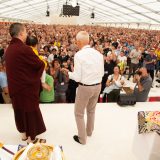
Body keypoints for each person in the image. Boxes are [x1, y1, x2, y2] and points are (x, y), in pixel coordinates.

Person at [5, 23, 46, 144]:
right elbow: (39, 65)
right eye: (26, 32)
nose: (27, 34)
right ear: (21, 33)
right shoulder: (24, 49)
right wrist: (42, 61)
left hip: (15, 87)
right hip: (26, 89)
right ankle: (32, 139)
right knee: (30, 113)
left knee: (19, 112)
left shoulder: (9, 49)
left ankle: (23, 136)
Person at [62, 31, 104, 144]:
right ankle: (89, 132)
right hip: (98, 85)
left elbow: (77, 77)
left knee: (79, 113)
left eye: (76, 42)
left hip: (85, 87)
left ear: (79, 42)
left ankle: (82, 139)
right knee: (91, 111)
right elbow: (101, 73)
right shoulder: (99, 54)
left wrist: (68, 73)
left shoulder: (79, 55)